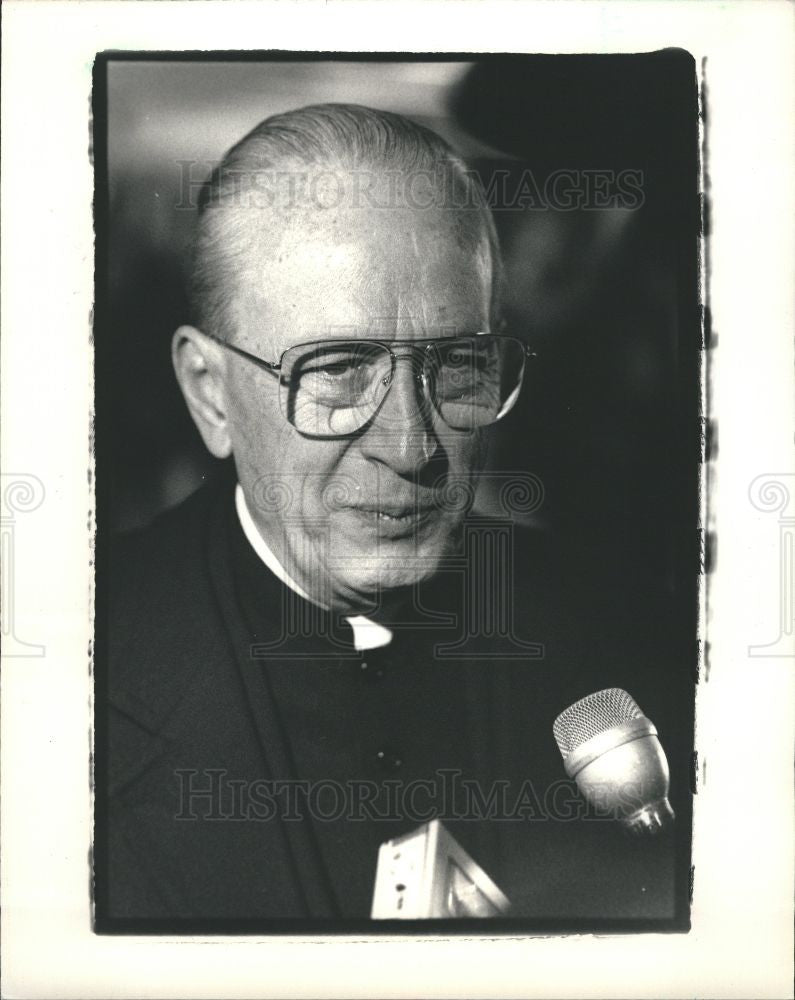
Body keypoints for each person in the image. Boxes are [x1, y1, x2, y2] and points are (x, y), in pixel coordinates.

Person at [101, 104, 691, 926]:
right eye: (338, 369)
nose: (412, 445)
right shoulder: (70, 690)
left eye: (457, 365)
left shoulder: (629, 637)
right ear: (210, 392)